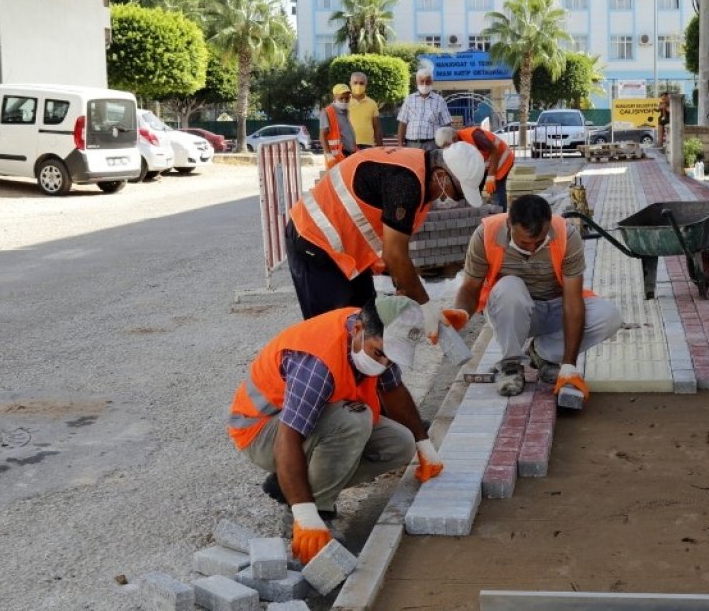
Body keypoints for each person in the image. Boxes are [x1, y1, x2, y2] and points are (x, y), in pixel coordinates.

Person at [227, 295, 445, 564]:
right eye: (379, 354)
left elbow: (394, 390)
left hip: (311, 421)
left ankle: (294, 484)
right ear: (358, 330)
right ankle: (311, 515)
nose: (383, 365)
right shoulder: (317, 364)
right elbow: (288, 438)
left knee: (400, 444)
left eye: (391, 359)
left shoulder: (376, 335)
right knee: (354, 420)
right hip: (262, 431)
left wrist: (424, 446)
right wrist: (306, 515)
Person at [284, 143, 486, 329]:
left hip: (343, 251)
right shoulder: (406, 182)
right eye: (457, 193)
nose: (453, 200)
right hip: (313, 240)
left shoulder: (419, 170)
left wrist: (401, 285)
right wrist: (426, 308)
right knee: (334, 327)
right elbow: (395, 255)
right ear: (440, 176)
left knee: (365, 324)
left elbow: (393, 247)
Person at [454, 194, 623, 398]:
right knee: (509, 286)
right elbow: (470, 287)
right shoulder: (486, 234)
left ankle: (541, 353)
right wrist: (461, 313)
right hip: (512, 313)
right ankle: (511, 366)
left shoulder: (566, 234)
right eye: (524, 243)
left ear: (549, 224)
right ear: (509, 225)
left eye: (539, 241)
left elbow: (572, 301)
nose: (532, 248)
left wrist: (569, 366)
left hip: (556, 307)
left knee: (609, 317)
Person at [434, 125, 514, 210]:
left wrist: (491, 175)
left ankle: (500, 214)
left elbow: (494, 150)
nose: (447, 149)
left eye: (447, 145)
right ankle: (479, 210)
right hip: (486, 163)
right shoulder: (456, 146)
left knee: (495, 188)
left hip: (502, 159)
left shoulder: (475, 135)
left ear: (454, 138)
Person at [397, 63, 451, 150]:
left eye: (428, 81)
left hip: (432, 145)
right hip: (411, 145)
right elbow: (402, 123)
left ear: (432, 82)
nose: (425, 84)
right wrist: (400, 145)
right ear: (417, 82)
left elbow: (447, 125)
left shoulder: (439, 100)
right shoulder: (409, 100)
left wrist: (445, 145)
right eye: (422, 81)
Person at [319, 84, 357, 168]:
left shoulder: (347, 112)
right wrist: (328, 155)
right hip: (337, 157)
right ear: (334, 97)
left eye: (347, 98)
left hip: (350, 155)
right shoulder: (327, 112)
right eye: (341, 98)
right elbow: (322, 135)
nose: (344, 101)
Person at [347, 72, 383, 149]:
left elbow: (377, 128)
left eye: (361, 83)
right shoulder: (344, 103)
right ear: (350, 83)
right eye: (355, 83)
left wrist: (380, 148)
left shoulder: (372, 103)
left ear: (366, 84)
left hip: (368, 145)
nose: (358, 85)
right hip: (348, 145)